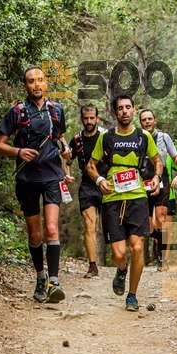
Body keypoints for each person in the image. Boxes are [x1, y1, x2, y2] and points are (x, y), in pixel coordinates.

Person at [0, 65, 71, 302]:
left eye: (40, 80)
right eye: (31, 81)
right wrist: (18, 151)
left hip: (52, 175)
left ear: (45, 83)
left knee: (50, 228)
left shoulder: (56, 110)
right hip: (26, 178)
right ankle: (40, 276)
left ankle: (53, 282)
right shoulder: (17, 111)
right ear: (25, 85)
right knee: (35, 233)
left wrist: (66, 150)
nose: (36, 85)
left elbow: (58, 137)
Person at [86, 94, 163, 311]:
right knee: (119, 254)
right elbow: (91, 166)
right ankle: (121, 270)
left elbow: (157, 161)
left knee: (137, 247)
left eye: (128, 107)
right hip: (112, 199)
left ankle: (132, 295)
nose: (124, 111)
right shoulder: (106, 137)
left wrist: (156, 178)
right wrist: (100, 180)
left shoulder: (143, 136)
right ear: (115, 113)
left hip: (137, 198)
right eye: (120, 108)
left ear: (134, 111)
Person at [138, 109, 177, 270]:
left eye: (150, 119)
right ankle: (150, 251)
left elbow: (175, 158)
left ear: (155, 120)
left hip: (162, 178)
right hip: (142, 181)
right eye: (144, 120)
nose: (147, 122)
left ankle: (162, 259)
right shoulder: (137, 138)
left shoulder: (164, 138)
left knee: (161, 219)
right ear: (140, 123)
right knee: (147, 224)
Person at [65, 104, 106, 278]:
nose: (89, 121)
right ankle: (92, 266)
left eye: (92, 118)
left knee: (108, 227)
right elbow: (68, 160)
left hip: (107, 185)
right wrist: (67, 175)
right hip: (87, 186)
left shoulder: (106, 136)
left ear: (97, 118)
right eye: (86, 118)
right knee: (89, 226)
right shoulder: (77, 140)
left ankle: (120, 262)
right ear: (81, 119)